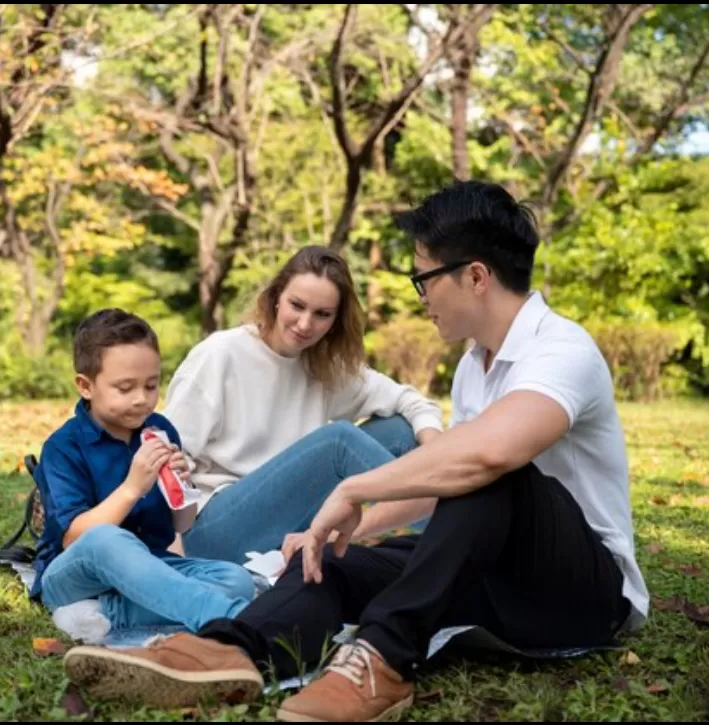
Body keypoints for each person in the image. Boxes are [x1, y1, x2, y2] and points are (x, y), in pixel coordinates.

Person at [60, 180, 651, 721]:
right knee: (327, 561)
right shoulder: (475, 366)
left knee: (490, 469)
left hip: (581, 592)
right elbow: (445, 486)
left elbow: (488, 460)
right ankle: (229, 651)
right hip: (492, 579)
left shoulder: (561, 350)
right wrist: (340, 529)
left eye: (424, 279)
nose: (421, 296)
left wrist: (352, 489)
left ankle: (381, 659)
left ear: (475, 276)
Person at [160, 245, 446, 565]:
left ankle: (451, 515)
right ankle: (456, 519)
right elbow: (166, 455)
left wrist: (436, 450)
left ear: (335, 321)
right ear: (276, 297)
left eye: (322, 314)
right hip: (213, 530)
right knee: (337, 442)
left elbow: (412, 401)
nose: (305, 324)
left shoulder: (322, 366)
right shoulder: (221, 354)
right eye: (297, 305)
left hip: (288, 519)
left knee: (400, 430)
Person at [28, 308, 256, 640]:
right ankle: (235, 619)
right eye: (125, 388)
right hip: (73, 576)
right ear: (86, 386)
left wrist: (182, 486)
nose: (141, 399)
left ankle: (104, 613)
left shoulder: (161, 430)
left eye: (151, 385)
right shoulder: (64, 447)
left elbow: (182, 525)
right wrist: (132, 487)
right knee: (107, 538)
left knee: (236, 580)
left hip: (147, 565)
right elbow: (76, 539)